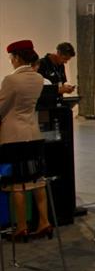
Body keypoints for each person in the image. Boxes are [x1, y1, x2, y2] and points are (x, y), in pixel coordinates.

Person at [0, 40, 53, 242]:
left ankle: (21, 227)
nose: (11, 62)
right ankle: (44, 222)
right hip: (33, 134)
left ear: (16, 57)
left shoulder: (11, 80)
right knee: (37, 180)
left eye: (11, 58)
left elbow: (1, 108)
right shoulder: (38, 78)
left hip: (14, 136)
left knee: (17, 184)